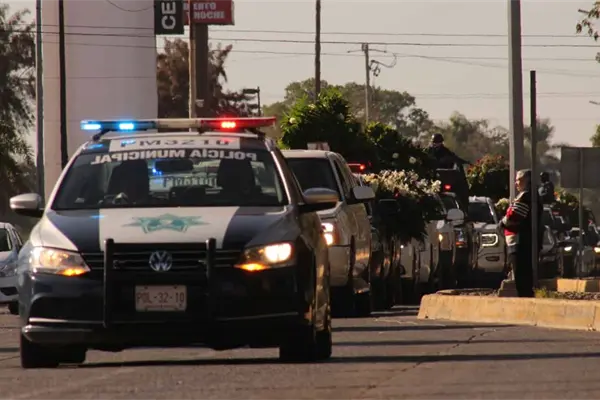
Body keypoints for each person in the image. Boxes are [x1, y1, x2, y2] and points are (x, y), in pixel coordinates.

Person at [499, 169, 543, 297]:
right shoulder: (529, 196)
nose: (516, 183)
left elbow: (514, 216)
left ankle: (525, 298)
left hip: (521, 241)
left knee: (521, 274)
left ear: (527, 180)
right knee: (521, 273)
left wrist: (502, 222)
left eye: (519, 180)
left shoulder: (526, 196)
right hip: (521, 240)